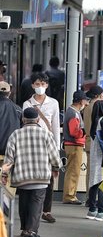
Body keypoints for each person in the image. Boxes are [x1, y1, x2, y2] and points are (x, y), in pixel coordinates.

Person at [2, 108, 61, 237]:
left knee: (24, 203)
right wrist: (56, 168)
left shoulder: (15, 134)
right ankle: (31, 230)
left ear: (23, 119)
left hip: (22, 177)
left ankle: (24, 228)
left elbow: (9, 159)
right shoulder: (46, 134)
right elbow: (54, 156)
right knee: (36, 203)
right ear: (38, 119)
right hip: (41, 177)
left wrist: (4, 175)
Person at [23, 73, 61, 222]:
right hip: (32, 146)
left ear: (47, 85)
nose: (40, 87)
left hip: (49, 145)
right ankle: (32, 209)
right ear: (32, 85)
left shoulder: (54, 103)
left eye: (43, 84)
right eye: (37, 84)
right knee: (32, 177)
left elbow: (56, 126)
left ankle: (46, 210)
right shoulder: (27, 104)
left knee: (50, 177)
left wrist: (57, 148)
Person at [63, 90, 90, 204]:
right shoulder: (73, 113)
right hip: (74, 145)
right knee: (73, 171)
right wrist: (83, 132)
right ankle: (69, 196)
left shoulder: (71, 111)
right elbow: (74, 132)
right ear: (80, 101)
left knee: (72, 170)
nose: (86, 102)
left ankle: (71, 194)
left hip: (72, 145)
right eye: (85, 100)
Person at [87, 100, 103, 221]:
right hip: (102, 154)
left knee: (94, 182)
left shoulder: (95, 121)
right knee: (102, 182)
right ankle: (101, 211)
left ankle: (92, 209)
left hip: (95, 153)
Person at [0, 81, 22, 188]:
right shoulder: (18, 109)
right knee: (7, 182)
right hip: (11, 153)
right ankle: (5, 204)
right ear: (9, 92)